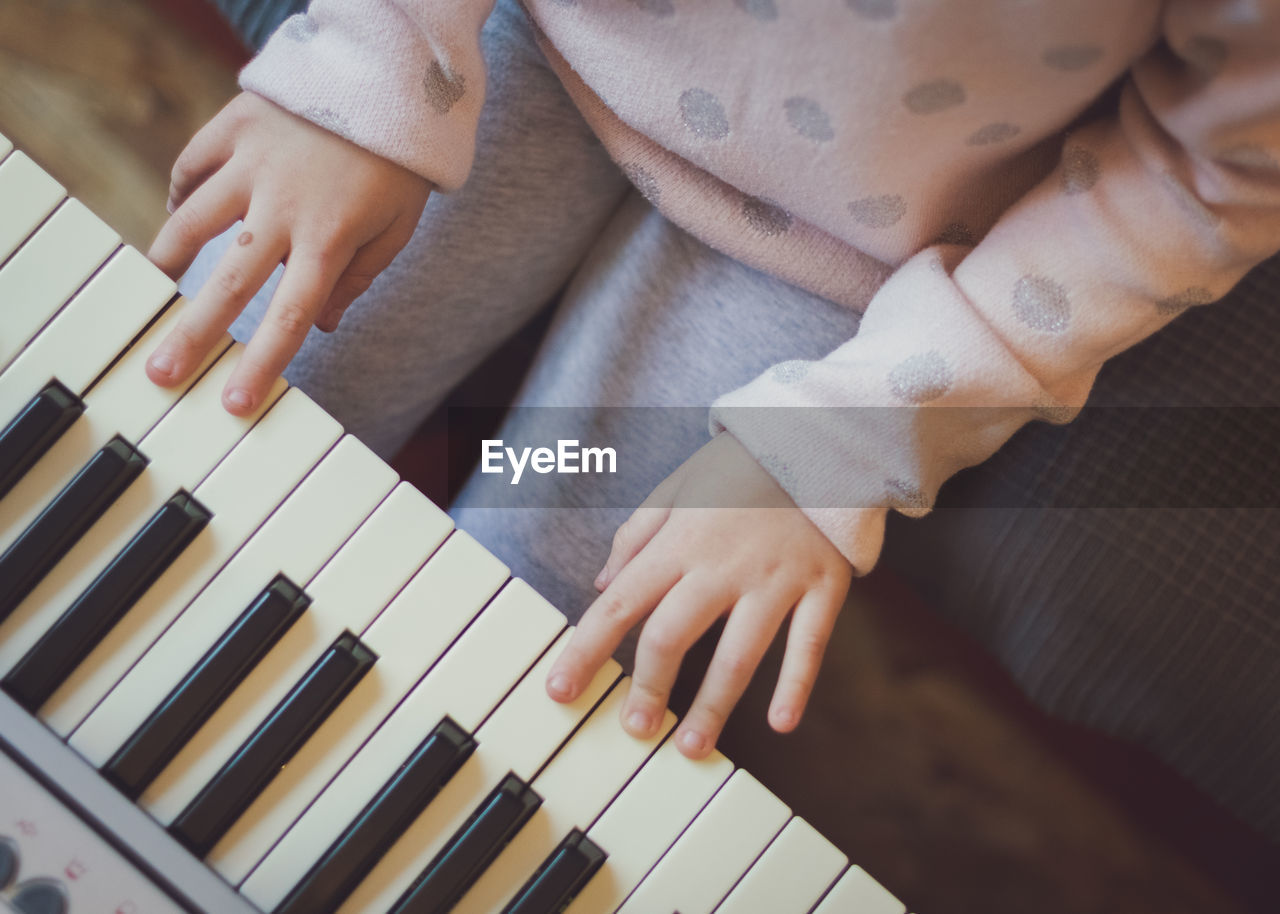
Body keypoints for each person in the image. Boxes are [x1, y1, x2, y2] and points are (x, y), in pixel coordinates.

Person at [144, 0, 1280, 764]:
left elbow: (1209, 169)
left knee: (527, 636)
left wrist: (848, 441)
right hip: (528, 44)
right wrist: (372, 51)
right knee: (216, 416)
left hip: (851, 251)